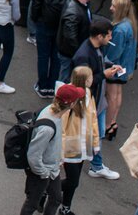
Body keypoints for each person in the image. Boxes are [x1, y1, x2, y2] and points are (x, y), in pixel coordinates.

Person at [19, 84, 86, 215]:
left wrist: (58, 158)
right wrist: (43, 173)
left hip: (51, 168)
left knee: (56, 199)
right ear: (71, 104)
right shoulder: (47, 128)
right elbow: (33, 155)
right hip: (42, 171)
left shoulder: (54, 111)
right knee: (32, 203)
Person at [71, 17, 123, 183]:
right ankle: (94, 165)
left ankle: (95, 164)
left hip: (98, 102)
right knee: (95, 134)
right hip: (90, 103)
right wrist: (104, 75)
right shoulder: (84, 56)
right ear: (100, 36)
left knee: (97, 134)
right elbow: (84, 82)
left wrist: (110, 66)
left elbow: (100, 63)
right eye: (108, 35)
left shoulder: (96, 49)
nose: (110, 38)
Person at [60, 66, 101, 213]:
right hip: (70, 147)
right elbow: (62, 126)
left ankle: (65, 208)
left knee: (73, 182)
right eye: (90, 77)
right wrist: (60, 152)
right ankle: (46, 190)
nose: (92, 79)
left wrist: (95, 142)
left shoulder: (89, 95)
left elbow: (94, 119)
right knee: (73, 181)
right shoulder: (68, 96)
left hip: (83, 146)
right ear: (84, 80)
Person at [30, 0, 70, 98]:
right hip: (58, 24)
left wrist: (34, 19)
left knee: (43, 56)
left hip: (44, 23)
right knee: (56, 56)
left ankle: (42, 86)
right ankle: (53, 86)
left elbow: (36, 3)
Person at [103, 0, 138, 140]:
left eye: (113, 6)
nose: (110, 8)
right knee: (117, 95)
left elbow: (114, 52)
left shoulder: (119, 30)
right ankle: (112, 122)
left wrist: (106, 64)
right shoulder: (130, 24)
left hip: (115, 67)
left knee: (111, 96)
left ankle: (106, 126)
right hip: (124, 68)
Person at [57, 0, 96, 83]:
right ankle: (61, 98)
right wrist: (81, 53)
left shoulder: (79, 3)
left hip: (72, 51)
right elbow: (70, 37)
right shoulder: (73, 13)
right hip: (70, 54)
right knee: (65, 79)